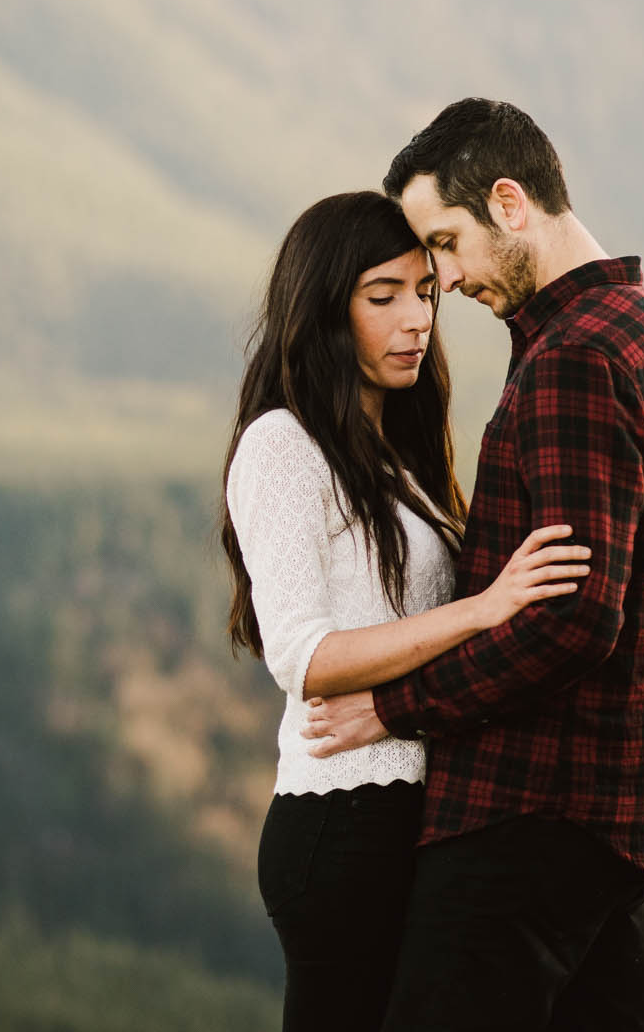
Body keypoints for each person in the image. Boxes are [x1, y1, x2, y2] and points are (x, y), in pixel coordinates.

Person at [301, 99, 644, 1031]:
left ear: (510, 203)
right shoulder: (642, 327)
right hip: (606, 812)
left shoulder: (575, 356)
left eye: (447, 242)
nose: (444, 278)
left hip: (529, 807)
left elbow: (572, 616)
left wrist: (392, 706)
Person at [221, 189, 591, 1032]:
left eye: (425, 290)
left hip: (406, 819)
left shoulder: (397, 456)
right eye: (381, 296)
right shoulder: (282, 444)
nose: (416, 317)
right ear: (323, 309)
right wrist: (483, 611)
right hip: (341, 817)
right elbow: (304, 659)